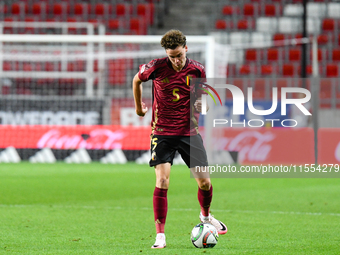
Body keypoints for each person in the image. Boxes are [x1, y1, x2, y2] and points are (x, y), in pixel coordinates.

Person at [132, 29, 227, 249]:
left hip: (189, 132)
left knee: (205, 182)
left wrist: (201, 104)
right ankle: (160, 235)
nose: (176, 60)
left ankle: (205, 217)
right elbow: (136, 80)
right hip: (162, 132)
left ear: (186, 49)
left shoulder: (197, 70)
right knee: (162, 181)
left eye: (179, 55)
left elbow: (200, 96)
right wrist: (139, 108)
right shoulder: (155, 67)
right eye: (171, 56)